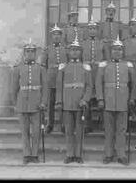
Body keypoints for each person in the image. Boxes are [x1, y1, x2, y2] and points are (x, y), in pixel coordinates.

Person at [96, 35, 136, 165]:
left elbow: (134, 84)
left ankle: (121, 154)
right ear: (111, 51)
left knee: (121, 129)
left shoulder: (128, 65)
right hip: (108, 101)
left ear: (122, 51)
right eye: (114, 49)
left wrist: (132, 98)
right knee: (108, 130)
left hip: (123, 102)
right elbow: (98, 83)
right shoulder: (104, 65)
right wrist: (100, 99)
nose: (117, 52)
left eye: (119, 49)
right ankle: (108, 154)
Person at [55, 36, 92, 164]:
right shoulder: (63, 67)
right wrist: (59, 101)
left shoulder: (86, 67)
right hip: (67, 102)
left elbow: (89, 86)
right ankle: (69, 154)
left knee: (80, 130)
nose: (75, 52)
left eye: (77, 50)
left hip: (80, 103)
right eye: (72, 50)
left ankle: (78, 154)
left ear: (81, 52)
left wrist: (85, 100)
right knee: (69, 130)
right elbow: (59, 86)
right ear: (68, 52)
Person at [12, 39, 47, 164]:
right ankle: (26, 154)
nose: (30, 54)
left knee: (36, 131)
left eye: (33, 52)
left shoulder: (41, 68)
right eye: (28, 51)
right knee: (24, 131)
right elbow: (14, 88)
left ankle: (35, 154)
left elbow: (45, 88)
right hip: (22, 104)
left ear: (36, 54)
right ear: (24, 53)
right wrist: (15, 103)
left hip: (37, 104)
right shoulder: (17, 69)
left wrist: (43, 102)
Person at [41, 24, 67, 134]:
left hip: (63, 79)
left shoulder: (65, 49)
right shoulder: (47, 50)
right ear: (51, 37)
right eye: (54, 34)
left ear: (61, 36)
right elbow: (43, 66)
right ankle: (50, 124)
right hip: (51, 78)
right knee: (51, 102)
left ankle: (63, 124)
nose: (56, 37)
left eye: (58, 34)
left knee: (63, 102)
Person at [82, 15, 106, 132]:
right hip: (87, 73)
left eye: (94, 29)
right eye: (90, 29)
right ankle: (87, 123)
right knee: (87, 97)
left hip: (98, 72)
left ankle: (102, 121)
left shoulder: (102, 43)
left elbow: (106, 59)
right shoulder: (83, 43)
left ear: (97, 31)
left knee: (101, 95)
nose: (92, 31)